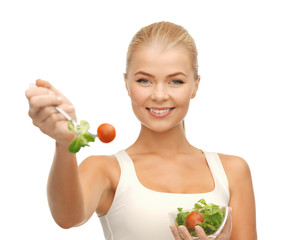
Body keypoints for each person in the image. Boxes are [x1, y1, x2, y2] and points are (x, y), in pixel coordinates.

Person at [25, 21, 257, 239]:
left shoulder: (232, 171)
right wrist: (65, 143)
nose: (158, 95)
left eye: (175, 81)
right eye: (144, 80)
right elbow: (67, 217)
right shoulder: (106, 170)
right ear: (126, 83)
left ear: (195, 85)